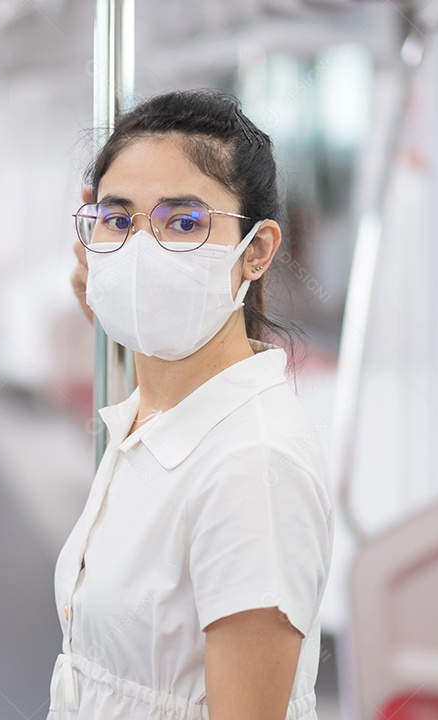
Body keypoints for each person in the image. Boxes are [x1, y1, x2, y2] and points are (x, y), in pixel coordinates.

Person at [49, 89, 334, 720]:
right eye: (117, 221)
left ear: (255, 251)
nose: (141, 251)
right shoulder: (153, 417)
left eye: (184, 222)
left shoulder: (255, 467)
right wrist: (109, 302)